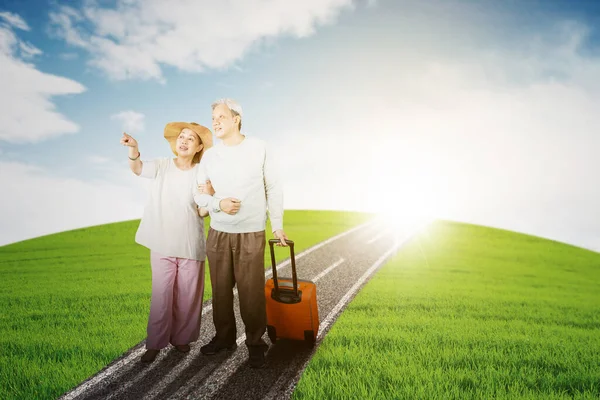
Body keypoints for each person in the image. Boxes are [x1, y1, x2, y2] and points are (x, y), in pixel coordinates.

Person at [194, 98, 287, 368]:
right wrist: (217, 205)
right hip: (219, 232)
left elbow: (274, 187)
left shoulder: (260, 147)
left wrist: (277, 224)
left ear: (236, 119)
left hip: (251, 232)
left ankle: (256, 343)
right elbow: (199, 194)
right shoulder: (210, 155)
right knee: (221, 292)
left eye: (220, 117)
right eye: (213, 118)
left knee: (250, 292)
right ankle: (224, 339)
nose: (215, 122)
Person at [120, 122, 213, 363]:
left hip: (191, 244)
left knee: (188, 297)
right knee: (162, 295)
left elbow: (203, 211)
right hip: (162, 243)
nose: (183, 141)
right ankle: (155, 343)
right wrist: (133, 149)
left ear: (199, 147)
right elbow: (138, 168)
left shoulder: (202, 172)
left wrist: (211, 195)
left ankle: (181, 339)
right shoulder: (162, 165)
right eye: (181, 137)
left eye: (190, 139)